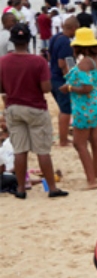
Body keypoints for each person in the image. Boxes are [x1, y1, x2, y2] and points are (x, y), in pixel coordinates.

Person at [0, 23, 67, 199]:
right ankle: (52, 188)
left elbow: (1, 88)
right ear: (29, 40)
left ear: (13, 41)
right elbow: (46, 88)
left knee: (20, 150)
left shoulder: (3, 61)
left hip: (13, 107)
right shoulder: (38, 61)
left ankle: (21, 189)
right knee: (42, 150)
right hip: (35, 107)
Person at [60, 27, 97, 190]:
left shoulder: (85, 62)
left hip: (85, 105)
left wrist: (70, 88)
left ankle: (91, 181)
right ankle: (96, 173)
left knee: (79, 144)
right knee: (95, 139)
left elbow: (86, 88)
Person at [48, 16, 75, 147]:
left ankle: (63, 137)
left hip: (51, 76)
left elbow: (50, 55)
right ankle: (63, 140)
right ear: (72, 28)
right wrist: (70, 80)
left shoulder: (56, 37)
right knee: (66, 110)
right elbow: (62, 63)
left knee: (63, 108)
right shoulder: (65, 42)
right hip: (60, 79)